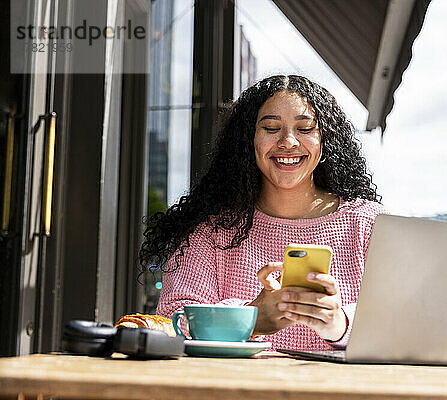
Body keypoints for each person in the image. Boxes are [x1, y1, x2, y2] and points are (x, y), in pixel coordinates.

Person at [139, 75, 386, 351]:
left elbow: (402, 322)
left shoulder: (368, 224)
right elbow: (171, 320)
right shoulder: (208, 231)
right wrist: (252, 318)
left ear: (325, 141)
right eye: (271, 128)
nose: (288, 141)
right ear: (248, 141)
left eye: (305, 128)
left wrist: (340, 325)